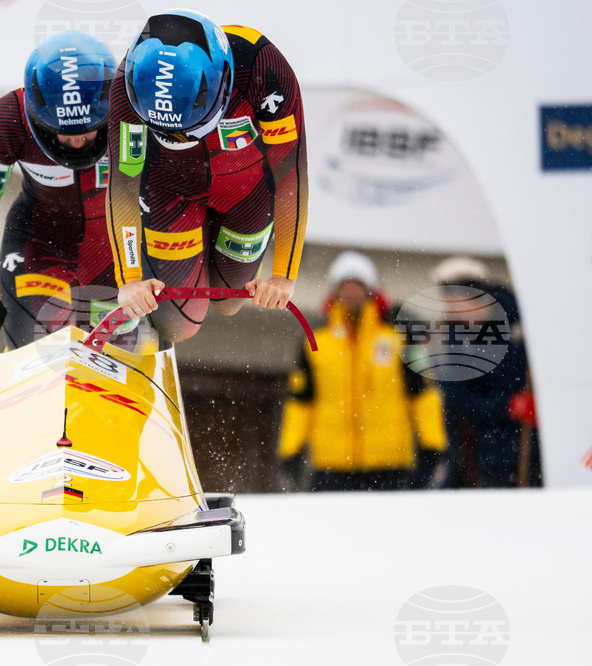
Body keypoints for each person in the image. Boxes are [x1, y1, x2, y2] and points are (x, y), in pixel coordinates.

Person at [104, 11, 309, 342]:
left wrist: (284, 274)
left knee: (228, 302)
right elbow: (124, 184)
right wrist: (128, 278)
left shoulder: (263, 68)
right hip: (170, 191)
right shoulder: (127, 88)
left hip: (247, 194)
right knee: (180, 325)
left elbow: (291, 175)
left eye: (190, 128)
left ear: (223, 84)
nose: (182, 137)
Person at [0, 31, 118, 348]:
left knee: (119, 351)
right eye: (65, 133)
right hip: (40, 241)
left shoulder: (130, 114)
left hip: (110, 249)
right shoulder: (8, 119)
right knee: (34, 346)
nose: (78, 142)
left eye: (88, 131)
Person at [277, 252, 448, 492]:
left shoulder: (398, 336)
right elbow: (301, 402)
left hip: (389, 463)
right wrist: (290, 451)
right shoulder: (316, 341)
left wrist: (433, 445)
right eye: (344, 287)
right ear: (334, 292)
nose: (350, 294)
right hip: (331, 465)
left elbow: (422, 394)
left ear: (371, 290)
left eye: (357, 286)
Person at [431, 257, 539, 489]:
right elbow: (464, 400)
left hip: (539, 449)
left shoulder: (525, 320)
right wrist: (508, 406)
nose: (452, 312)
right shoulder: (455, 344)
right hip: (491, 456)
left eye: (458, 302)